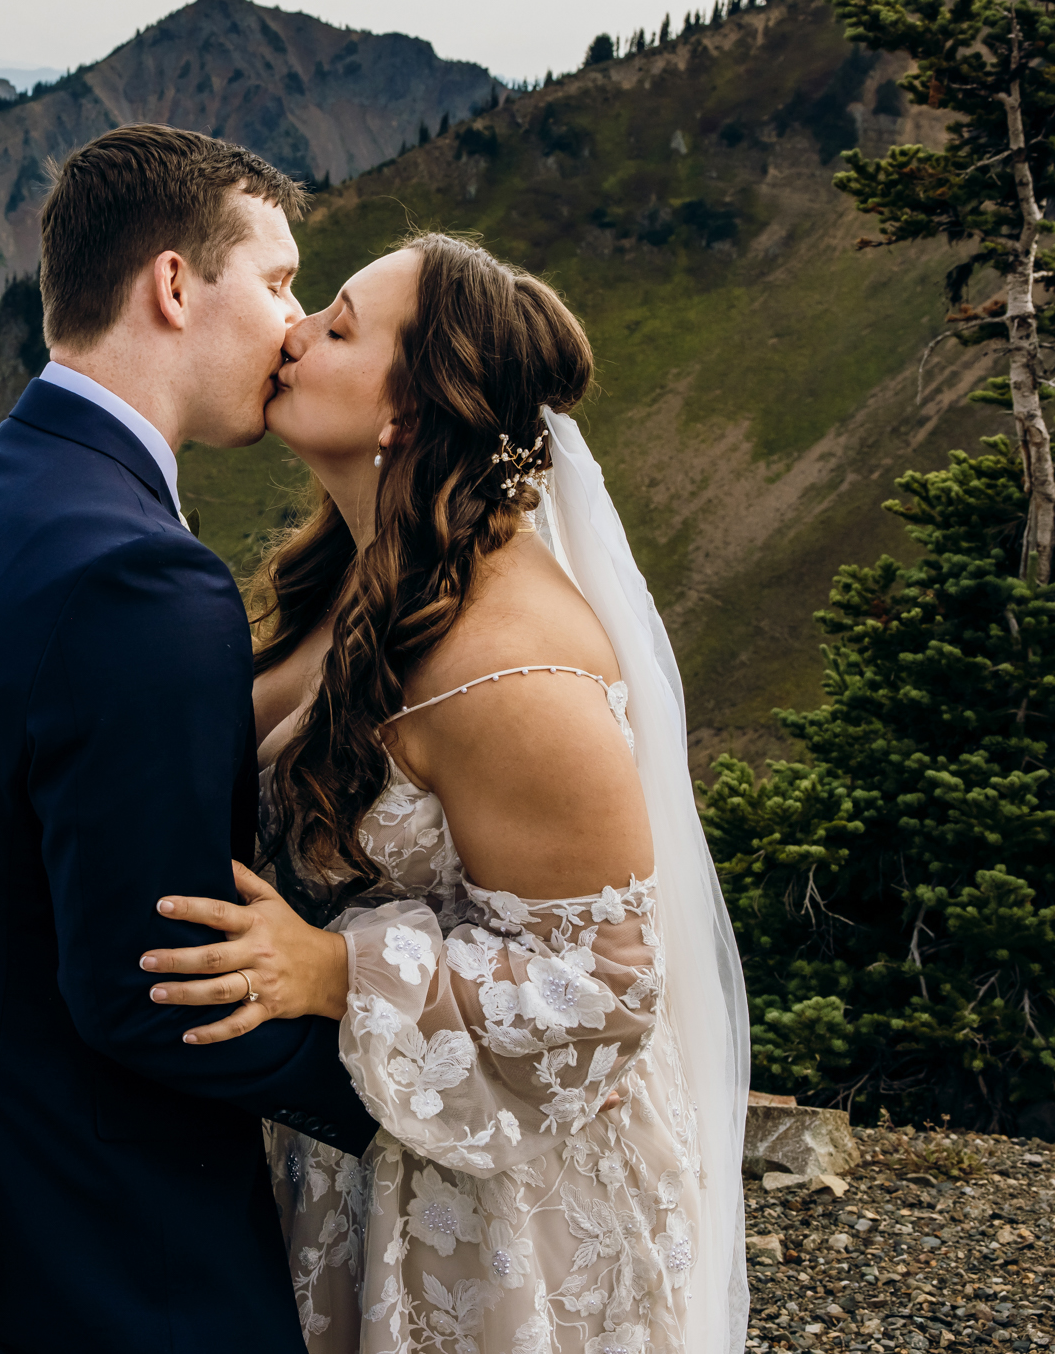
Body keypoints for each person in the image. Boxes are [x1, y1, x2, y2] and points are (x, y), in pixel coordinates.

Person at [137, 234, 751, 1353]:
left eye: (338, 325)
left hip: (489, 1218)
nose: (296, 330)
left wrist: (337, 969)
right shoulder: (363, 570)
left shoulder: (517, 673)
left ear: (406, 415)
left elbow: (609, 987)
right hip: (366, 1145)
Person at [0, 124, 381, 1354]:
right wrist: (414, 1089)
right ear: (175, 284)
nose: (294, 326)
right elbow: (152, 994)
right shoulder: (142, 574)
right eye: (279, 280)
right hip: (85, 1215)